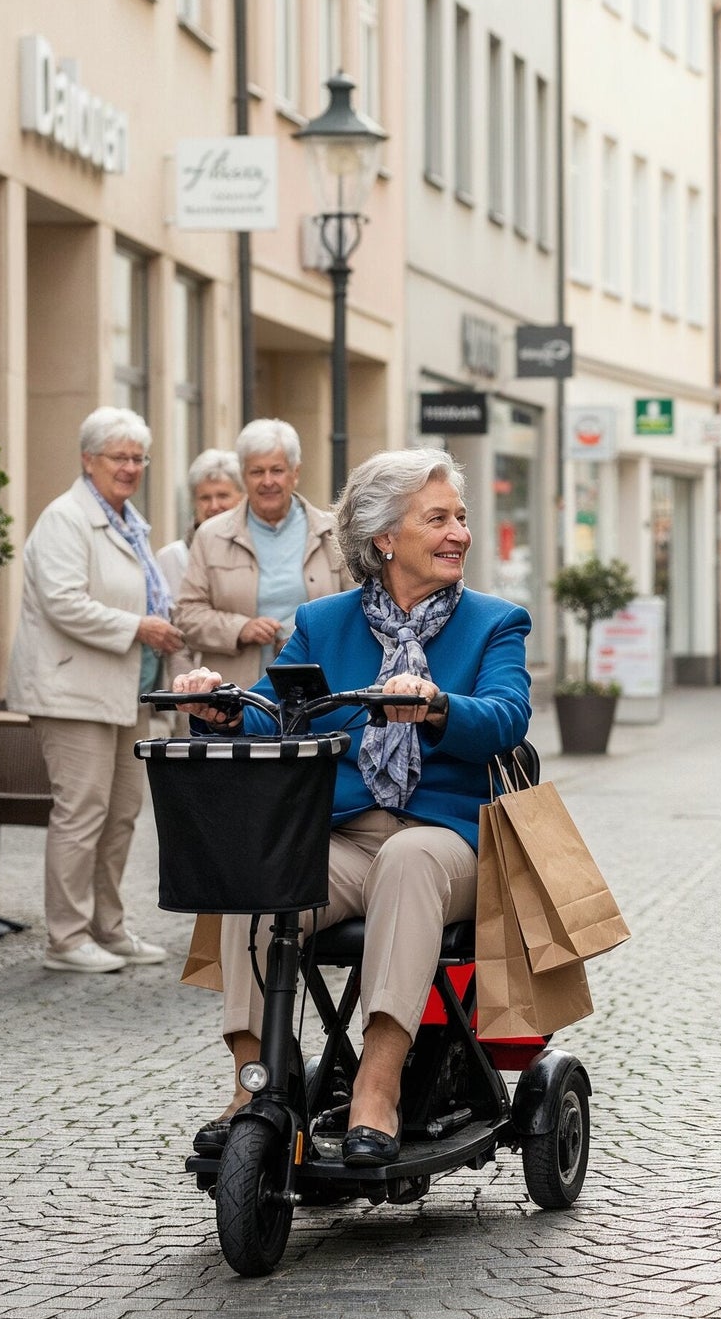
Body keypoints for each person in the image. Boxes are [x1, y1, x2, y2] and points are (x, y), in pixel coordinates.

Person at [176, 448, 531, 1168]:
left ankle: (377, 1083)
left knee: (407, 858)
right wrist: (215, 708)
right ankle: (255, 1082)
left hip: (447, 842)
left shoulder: (497, 622)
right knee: (254, 871)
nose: (458, 531)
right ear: (385, 540)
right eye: (438, 518)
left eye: (459, 517)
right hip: (342, 840)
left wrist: (436, 707)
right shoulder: (322, 622)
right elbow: (276, 717)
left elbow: (506, 718)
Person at [6, 407, 181, 973]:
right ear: (89, 460)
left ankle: (107, 927)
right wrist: (140, 627)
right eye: (119, 457)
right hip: (73, 688)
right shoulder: (65, 518)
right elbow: (63, 602)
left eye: (138, 458)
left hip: (126, 688)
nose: (130, 468)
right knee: (82, 811)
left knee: (123, 811)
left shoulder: (128, 520)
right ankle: (66, 936)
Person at [174, 418, 347, 686]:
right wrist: (240, 629)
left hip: (319, 688)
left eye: (277, 470)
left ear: (295, 472)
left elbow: (359, 608)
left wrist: (308, 637)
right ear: (244, 476)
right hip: (235, 691)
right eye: (257, 472)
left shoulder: (332, 532)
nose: (268, 481)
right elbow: (187, 615)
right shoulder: (210, 535)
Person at [156, 449, 244, 685]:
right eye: (205, 498)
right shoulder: (171, 558)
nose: (214, 505)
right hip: (190, 686)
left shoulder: (255, 553)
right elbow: (175, 642)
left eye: (223, 495)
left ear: (242, 497)